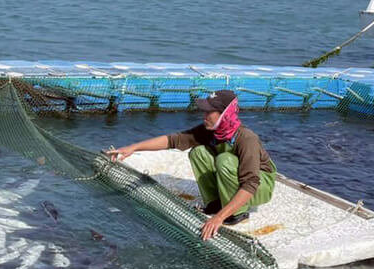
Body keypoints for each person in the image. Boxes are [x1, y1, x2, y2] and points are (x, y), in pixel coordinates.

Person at [106, 90, 276, 241]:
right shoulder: (210, 130)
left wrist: (219, 218)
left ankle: (237, 213)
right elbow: (174, 140)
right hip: (238, 179)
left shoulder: (247, 138)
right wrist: (133, 148)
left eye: (210, 112)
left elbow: (251, 183)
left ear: (225, 113)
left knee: (225, 159)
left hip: (260, 185)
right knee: (198, 152)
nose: (204, 116)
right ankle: (215, 203)